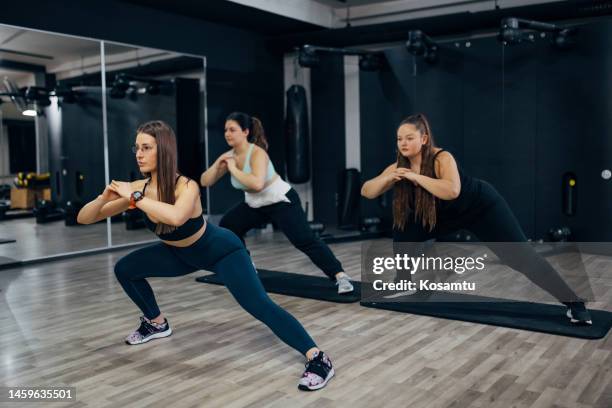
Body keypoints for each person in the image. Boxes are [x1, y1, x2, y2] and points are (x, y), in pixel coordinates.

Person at [77, 120, 335, 390]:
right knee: (125, 269)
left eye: (146, 148)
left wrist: (136, 197)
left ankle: (317, 358)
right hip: (179, 254)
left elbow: (176, 216)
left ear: (162, 151)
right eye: (137, 148)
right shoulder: (139, 189)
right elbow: (85, 218)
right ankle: (156, 323)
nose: (139, 154)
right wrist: (103, 197)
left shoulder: (186, 186)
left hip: (221, 252)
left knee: (259, 305)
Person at [361, 113, 592, 325]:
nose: (403, 143)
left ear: (424, 139)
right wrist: (389, 177)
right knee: (405, 229)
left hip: (481, 207)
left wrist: (414, 176)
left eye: (409, 138)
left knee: (522, 257)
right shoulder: (397, 166)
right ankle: (403, 281)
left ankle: (574, 302)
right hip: (443, 216)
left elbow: (452, 191)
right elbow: (367, 191)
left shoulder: (442, 158)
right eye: (399, 138)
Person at [200, 112, 354, 294]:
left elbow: (256, 184)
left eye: (232, 129)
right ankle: (247, 265)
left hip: (280, 201)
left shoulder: (257, 154)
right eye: (226, 130)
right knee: (229, 225)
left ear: (246, 131)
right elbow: (205, 181)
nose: (227, 133)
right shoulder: (228, 156)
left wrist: (232, 168)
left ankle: (340, 275)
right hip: (255, 205)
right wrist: (218, 165)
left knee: (304, 240)